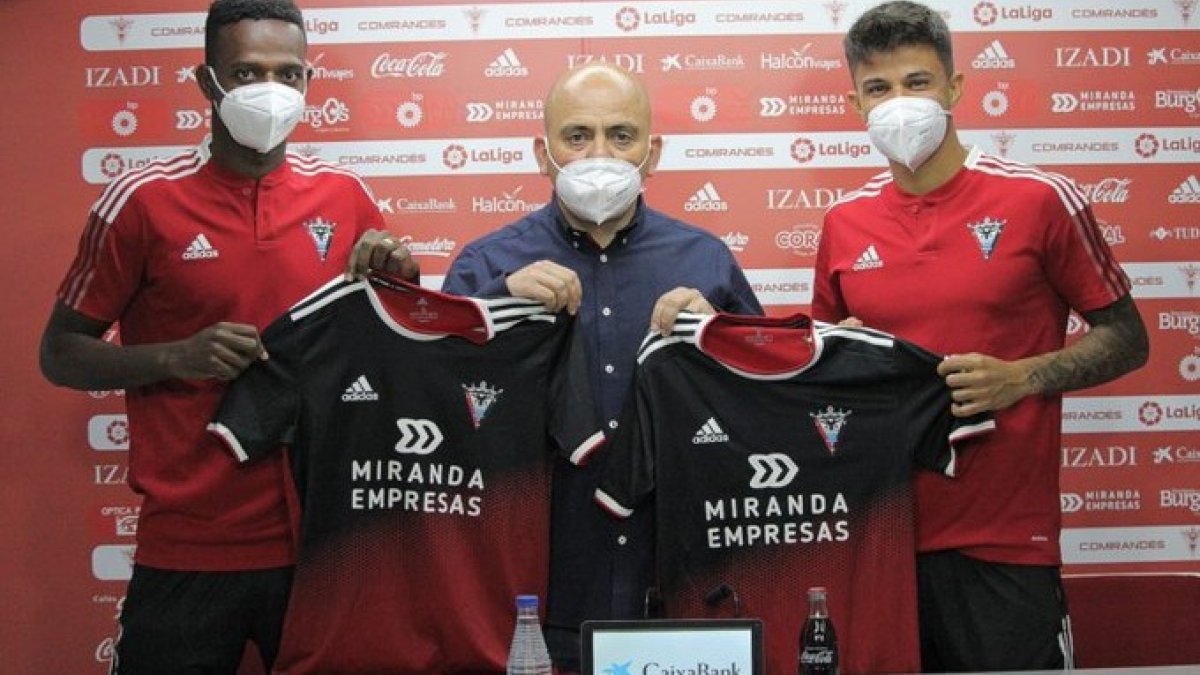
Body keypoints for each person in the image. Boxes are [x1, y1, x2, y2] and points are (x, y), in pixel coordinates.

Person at [39, 1, 415, 672]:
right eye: (246, 71)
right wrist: (176, 355)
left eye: (287, 72)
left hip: (321, 543)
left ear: (307, 82)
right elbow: (60, 351)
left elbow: (388, 348)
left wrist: (401, 277)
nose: (269, 90)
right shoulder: (142, 201)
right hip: (185, 546)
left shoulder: (346, 197)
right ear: (206, 82)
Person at [811, 2, 1149, 671]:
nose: (899, 103)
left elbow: (1129, 338)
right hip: (876, 544)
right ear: (855, 103)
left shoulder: (1041, 199)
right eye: (879, 89)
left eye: (918, 82)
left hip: (1004, 547)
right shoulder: (843, 222)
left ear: (956, 88)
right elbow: (822, 371)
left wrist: (1022, 375)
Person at [438, 62, 763, 671]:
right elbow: (442, 432)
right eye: (577, 135)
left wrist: (716, 340)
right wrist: (496, 311)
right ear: (543, 152)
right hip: (537, 593)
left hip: (681, 590)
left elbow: (761, 416)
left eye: (621, 135)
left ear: (652, 151)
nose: (599, 153)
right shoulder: (484, 268)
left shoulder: (707, 261)